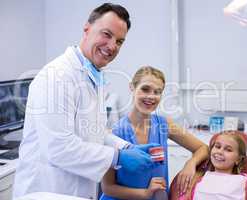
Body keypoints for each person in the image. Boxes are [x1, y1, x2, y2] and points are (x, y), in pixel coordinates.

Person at [13, 3, 158, 199]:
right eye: (106, 34)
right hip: (47, 189)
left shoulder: (92, 77)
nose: (112, 46)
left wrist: (126, 147)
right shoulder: (57, 76)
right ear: (87, 29)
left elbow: (93, 133)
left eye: (120, 41)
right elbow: (59, 147)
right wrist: (117, 157)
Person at [100, 66, 209, 200]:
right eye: (145, 89)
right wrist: (145, 193)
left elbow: (203, 148)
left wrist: (190, 164)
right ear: (132, 88)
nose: (151, 96)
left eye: (157, 92)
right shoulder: (115, 134)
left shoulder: (164, 125)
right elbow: (108, 187)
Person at [179, 131, 247, 200]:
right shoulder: (197, 179)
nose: (219, 152)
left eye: (228, 150)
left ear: (238, 159)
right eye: (217, 146)